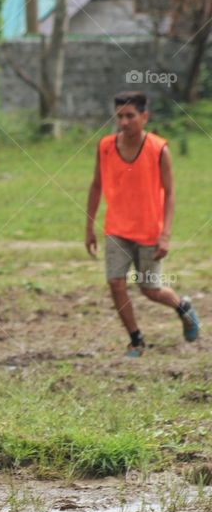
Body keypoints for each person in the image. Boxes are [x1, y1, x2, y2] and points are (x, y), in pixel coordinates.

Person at [85, 91, 200, 357]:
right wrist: (89, 226)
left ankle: (183, 307)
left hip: (149, 230)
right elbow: (95, 186)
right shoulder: (104, 146)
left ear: (144, 116)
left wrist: (166, 235)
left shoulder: (159, 149)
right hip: (116, 229)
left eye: (130, 116)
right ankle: (136, 340)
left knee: (150, 289)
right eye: (119, 116)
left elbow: (170, 194)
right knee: (115, 282)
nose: (124, 122)